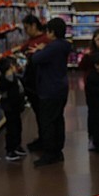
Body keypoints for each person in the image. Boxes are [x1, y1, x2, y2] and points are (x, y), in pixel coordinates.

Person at [29, 18, 71, 167]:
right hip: (60, 87)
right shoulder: (63, 45)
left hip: (50, 90)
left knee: (47, 122)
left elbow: (36, 59)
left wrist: (40, 50)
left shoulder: (53, 47)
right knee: (57, 119)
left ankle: (49, 153)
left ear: (52, 32)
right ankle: (57, 151)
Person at [22, 15, 49, 152]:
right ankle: (42, 138)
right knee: (39, 114)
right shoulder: (31, 41)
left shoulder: (44, 41)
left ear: (33, 25)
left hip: (41, 83)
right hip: (32, 84)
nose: (26, 31)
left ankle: (46, 140)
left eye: (27, 28)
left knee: (43, 113)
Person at [0, 57, 26, 161]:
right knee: (11, 128)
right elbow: (9, 91)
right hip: (10, 107)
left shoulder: (13, 77)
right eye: (13, 66)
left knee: (17, 127)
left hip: (16, 107)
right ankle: (10, 150)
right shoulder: (6, 79)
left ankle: (17, 146)